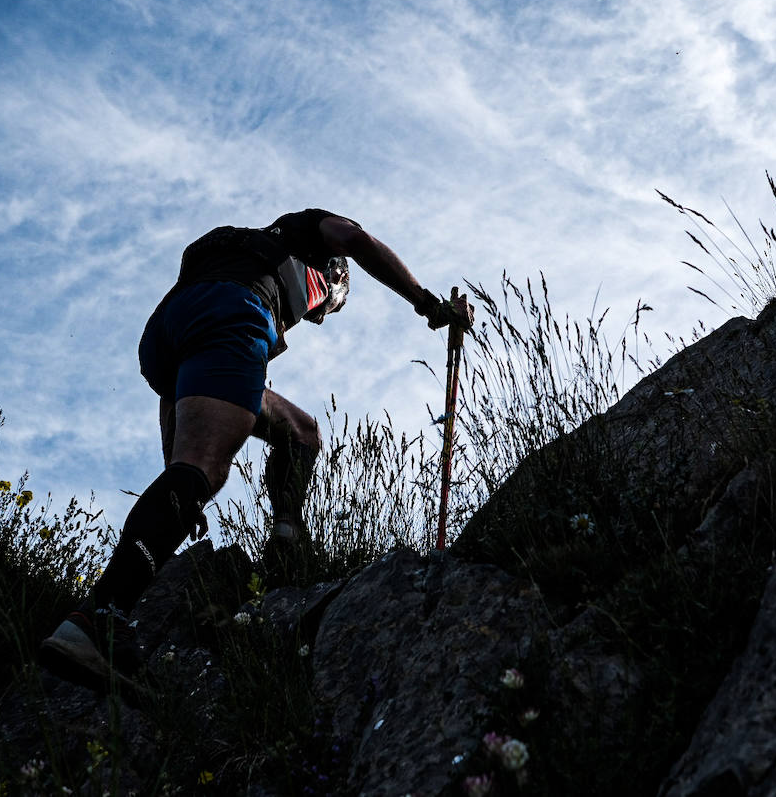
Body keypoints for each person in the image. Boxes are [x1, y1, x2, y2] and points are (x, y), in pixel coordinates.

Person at [39, 208, 472, 691]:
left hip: (169, 331)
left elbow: (176, 396)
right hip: (233, 316)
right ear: (329, 279)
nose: (315, 315)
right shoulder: (308, 235)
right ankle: (100, 616)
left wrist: (175, 473)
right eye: (326, 307)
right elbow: (355, 238)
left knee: (300, 432)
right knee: (204, 468)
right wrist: (427, 303)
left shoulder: (236, 253)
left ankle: (285, 541)